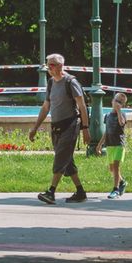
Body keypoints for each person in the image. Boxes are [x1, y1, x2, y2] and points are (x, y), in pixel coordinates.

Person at [27, 53, 91, 204]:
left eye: (52, 65)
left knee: (60, 158)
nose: (49, 67)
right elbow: (46, 107)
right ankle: (80, 192)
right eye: (48, 64)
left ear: (61, 66)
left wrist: (85, 129)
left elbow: (82, 106)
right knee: (67, 160)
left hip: (70, 125)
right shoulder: (51, 83)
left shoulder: (71, 82)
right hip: (56, 127)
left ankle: (51, 192)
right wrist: (35, 128)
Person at [97, 91, 128, 199]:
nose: (117, 103)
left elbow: (121, 123)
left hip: (119, 144)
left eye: (120, 102)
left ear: (122, 105)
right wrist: (100, 144)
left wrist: (119, 111)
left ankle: (115, 189)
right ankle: (122, 181)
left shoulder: (122, 114)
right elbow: (106, 132)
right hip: (110, 145)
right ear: (112, 101)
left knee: (116, 166)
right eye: (116, 101)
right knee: (112, 169)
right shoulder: (108, 116)